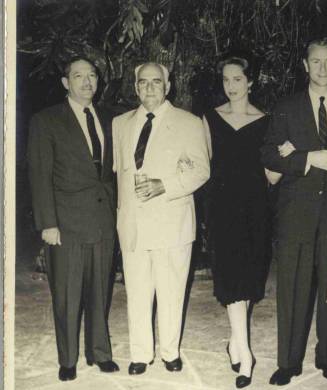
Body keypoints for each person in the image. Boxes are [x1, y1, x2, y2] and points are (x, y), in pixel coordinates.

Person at [260, 37, 327, 386]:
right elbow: (269, 156)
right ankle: (288, 362)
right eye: (315, 61)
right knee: (292, 289)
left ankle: (326, 356)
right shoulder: (286, 106)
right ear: (305, 65)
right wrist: (306, 160)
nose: (322, 68)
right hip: (295, 214)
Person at [112, 62, 210, 375]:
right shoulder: (120, 124)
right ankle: (140, 353)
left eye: (156, 82)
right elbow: (119, 174)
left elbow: (201, 171)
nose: (150, 88)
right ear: (136, 87)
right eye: (143, 82)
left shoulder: (189, 122)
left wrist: (164, 185)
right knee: (137, 292)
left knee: (171, 291)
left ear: (168, 87)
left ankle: (170, 352)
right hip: (134, 225)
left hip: (172, 223)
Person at [27, 57, 119, 381]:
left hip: (103, 221)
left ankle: (100, 353)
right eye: (78, 76)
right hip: (64, 224)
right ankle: (68, 359)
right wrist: (47, 224)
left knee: (100, 291)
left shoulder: (110, 119)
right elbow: (40, 176)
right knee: (67, 294)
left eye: (91, 75)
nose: (86, 82)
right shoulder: (47, 120)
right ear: (66, 83)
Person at [202, 54, 274, 388]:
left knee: (248, 279)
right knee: (231, 279)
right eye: (226, 80)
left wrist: (285, 154)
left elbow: (271, 175)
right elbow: (204, 165)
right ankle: (246, 354)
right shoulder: (210, 119)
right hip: (222, 209)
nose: (231, 86)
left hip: (255, 209)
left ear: (250, 82)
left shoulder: (265, 120)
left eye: (237, 79)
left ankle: (234, 340)